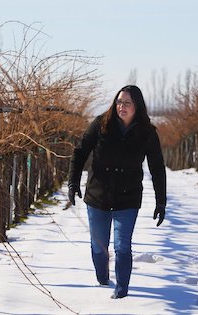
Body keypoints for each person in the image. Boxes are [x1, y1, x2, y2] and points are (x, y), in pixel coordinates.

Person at [68, 85, 167, 299]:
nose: (121, 106)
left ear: (137, 106)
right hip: (98, 195)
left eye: (127, 103)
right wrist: (73, 183)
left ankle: (122, 292)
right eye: (119, 102)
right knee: (98, 247)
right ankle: (103, 278)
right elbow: (80, 152)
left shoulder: (147, 132)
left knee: (122, 247)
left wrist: (161, 202)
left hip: (127, 197)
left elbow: (157, 167)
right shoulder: (100, 124)